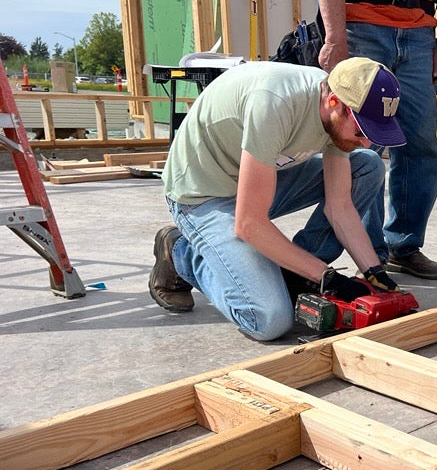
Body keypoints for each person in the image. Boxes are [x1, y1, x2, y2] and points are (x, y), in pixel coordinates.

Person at [149, 58, 405, 342]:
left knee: (367, 165)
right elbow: (249, 223)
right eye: (361, 131)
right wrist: (327, 276)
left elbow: (339, 205)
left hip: (254, 180)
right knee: (268, 319)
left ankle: (292, 274)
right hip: (202, 193)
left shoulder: (338, 109)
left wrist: (374, 272)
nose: (366, 141)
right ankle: (180, 251)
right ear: (334, 102)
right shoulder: (274, 103)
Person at [314, 0, 437, 280]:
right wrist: (335, 36)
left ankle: (403, 245)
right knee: (360, 144)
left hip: (419, 31)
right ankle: (368, 252)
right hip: (360, 24)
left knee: (421, 144)